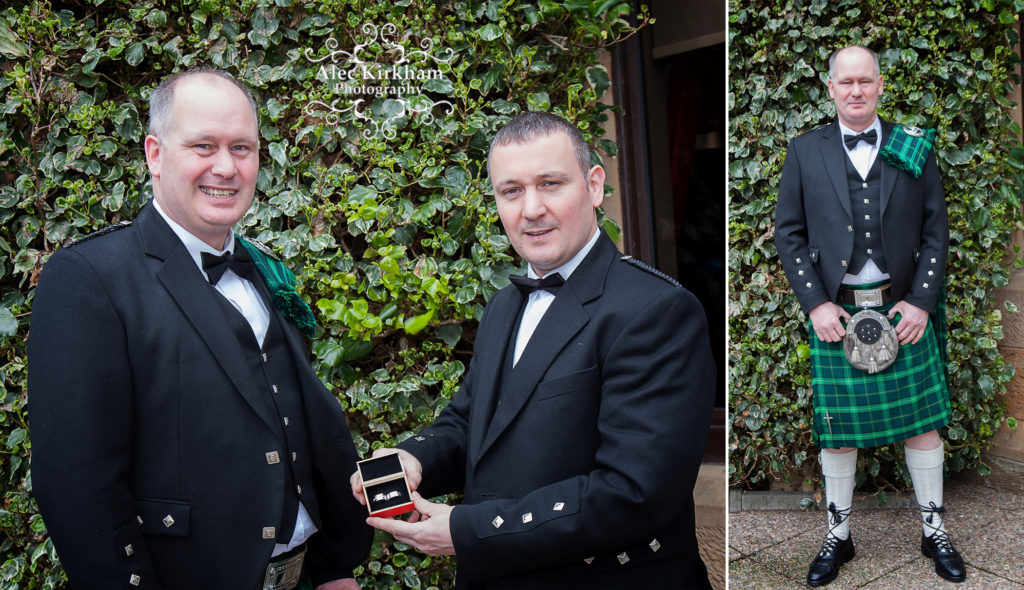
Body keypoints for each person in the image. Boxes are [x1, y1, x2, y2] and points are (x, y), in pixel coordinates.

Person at [28, 68, 371, 589]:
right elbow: (79, 484)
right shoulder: (89, 278)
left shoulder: (266, 270)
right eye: (203, 146)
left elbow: (290, 422)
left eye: (242, 148)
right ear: (155, 154)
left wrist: (331, 569)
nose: (226, 167)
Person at [349, 111, 716, 589]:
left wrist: (468, 529)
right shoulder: (505, 303)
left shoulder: (657, 310)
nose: (531, 209)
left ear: (594, 185)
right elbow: (472, 422)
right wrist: (413, 458)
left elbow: (634, 494)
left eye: (551, 184)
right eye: (512, 191)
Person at [774, 45, 963, 586]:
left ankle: (933, 530)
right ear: (829, 88)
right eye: (845, 82)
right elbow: (789, 234)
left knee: (923, 425)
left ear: (880, 85)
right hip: (839, 311)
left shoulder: (912, 147)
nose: (856, 90)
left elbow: (935, 231)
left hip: (902, 306)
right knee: (836, 431)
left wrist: (922, 300)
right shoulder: (803, 150)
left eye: (865, 80)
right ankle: (839, 535)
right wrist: (815, 303)